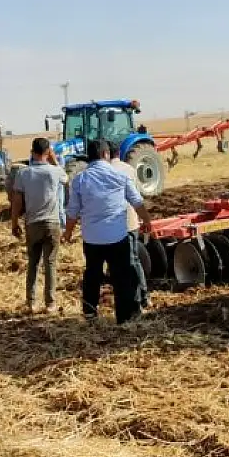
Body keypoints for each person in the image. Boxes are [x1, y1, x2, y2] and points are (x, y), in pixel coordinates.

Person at [63, 139, 153, 325]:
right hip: (117, 237)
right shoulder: (120, 176)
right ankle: (124, 316)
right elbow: (137, 202)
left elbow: (72, 212)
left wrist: (68, 233)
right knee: (122, 277)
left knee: (92, 275)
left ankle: (90, 312)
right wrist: (147, 221)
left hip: (92, 239)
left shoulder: (80, 180)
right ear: (106, 155)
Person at [11, 138, 69, 313]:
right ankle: (50, 303)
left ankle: (31, 302)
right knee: (50, 262)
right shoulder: (54, 172)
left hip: (32, 223)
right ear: (47, 152)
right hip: (52, 222)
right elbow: (66, 179)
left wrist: (14, 222)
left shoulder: (23, 174)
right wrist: (54, 159)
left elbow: (17, 202)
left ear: (32, 152)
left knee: (33, 263)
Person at [107, 141, 149, 309]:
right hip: (132, 221)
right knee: (134, 259)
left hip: (114, 223)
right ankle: (143, 294)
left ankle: (129, 298)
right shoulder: (130, 169)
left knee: (118, 263)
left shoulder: (107, 172)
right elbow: (138, 196)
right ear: (119, 153)